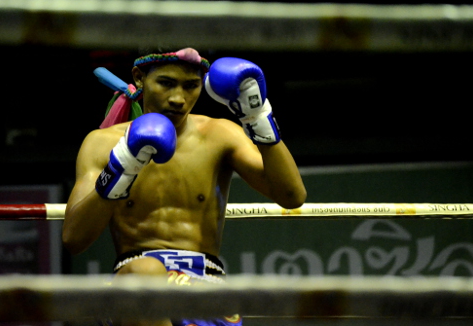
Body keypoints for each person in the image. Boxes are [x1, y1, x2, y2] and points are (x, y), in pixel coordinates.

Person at [62, 48, 307, 326]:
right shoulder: (102, 143)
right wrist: (122, 167)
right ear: (139, 77)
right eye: (166, 83)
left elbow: (292, 195)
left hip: (205, 286)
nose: (179, 99)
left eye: (190, 86)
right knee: (131, 280)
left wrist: (258, 117)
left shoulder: (219, 134)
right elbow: (73, 239)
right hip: (134, 285)